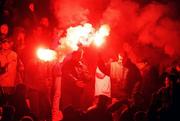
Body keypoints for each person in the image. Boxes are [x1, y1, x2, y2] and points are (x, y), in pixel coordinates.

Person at [0, 39, 17, 104]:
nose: (5, 45)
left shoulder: (14, 54)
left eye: (7, 43)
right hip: (2, 83)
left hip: (11, 82)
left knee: (9, 101)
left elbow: (13, 68)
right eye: (3, 43)